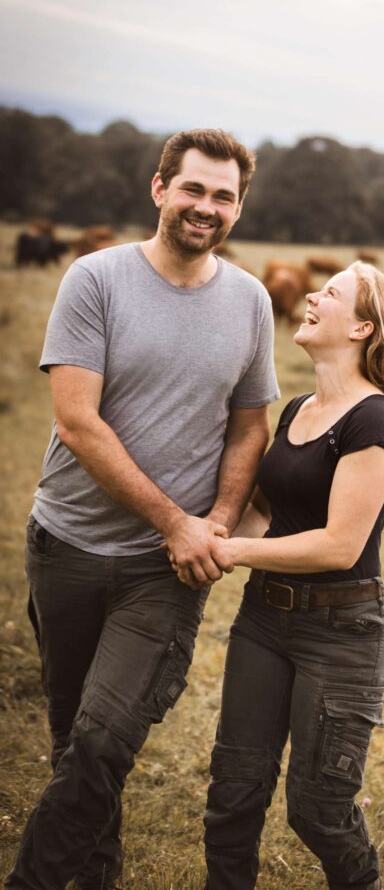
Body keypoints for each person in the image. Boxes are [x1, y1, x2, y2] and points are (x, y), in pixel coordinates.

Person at [5, 129, 280, 890]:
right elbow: (77, 420)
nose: (207, 207)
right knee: (76, 742)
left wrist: (216, 522)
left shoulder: (250, 301)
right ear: (159, 190)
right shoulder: (94, 280)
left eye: (224, 196)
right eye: (194, 189)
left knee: (101, 739)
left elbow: (251, 422)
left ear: (238, 208)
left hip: (164, 571)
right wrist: (176, 519)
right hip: (65, 547)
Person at [183, 261, 384, 890]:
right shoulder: (299, 407)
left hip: (340, 631)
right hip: (265, 620)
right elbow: (270, 515)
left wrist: (231, 556)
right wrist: (209, 534)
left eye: (332, 294)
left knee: (319, 812)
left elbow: (338, 546)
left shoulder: (372, 421)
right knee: (233, 797)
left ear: (362, 328)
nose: (313, 297)